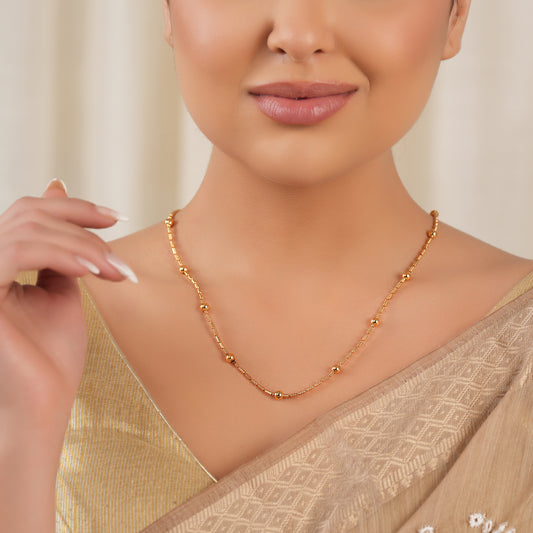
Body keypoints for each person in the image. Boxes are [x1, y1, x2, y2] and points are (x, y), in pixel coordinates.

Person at [1, 0, 532, 531]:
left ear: (456, 17)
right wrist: (21, 436)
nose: (298, 36)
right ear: (168, 11)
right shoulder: (23, 327)